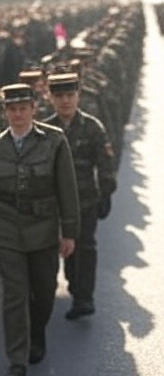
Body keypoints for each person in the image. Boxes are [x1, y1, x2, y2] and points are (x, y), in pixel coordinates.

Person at [0, 83, 80, 376]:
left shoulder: (54, 141)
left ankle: (37, 334)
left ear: (34, 108)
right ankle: (17, 360)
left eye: (23, 108)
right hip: (7, 231)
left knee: (44, 291)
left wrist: (69, 232)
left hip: (43, 230)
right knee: (14, 295)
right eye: (12, 109)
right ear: (5, 112)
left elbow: (67, 190)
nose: (18, 115)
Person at [43, 72, 116, 319]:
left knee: (85, 247)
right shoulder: (44, 130)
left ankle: (84, 297)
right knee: (60, 251)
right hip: (53, 203)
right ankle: (69, 287)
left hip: (85, 200)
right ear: (51, 98)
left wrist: (106, 192)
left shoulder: (92, 127)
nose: (65, 101)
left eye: (70, 95)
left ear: (78, 96)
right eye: (59, 96)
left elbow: (105, 163)